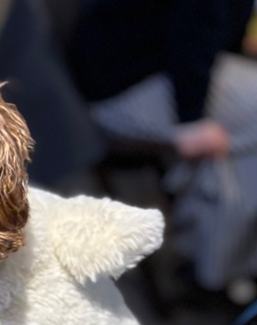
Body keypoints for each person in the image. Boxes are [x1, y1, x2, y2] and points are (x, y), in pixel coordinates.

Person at [68, 0, 257, 301]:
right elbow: (193, 27)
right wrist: (191, 120)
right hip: (126, 79)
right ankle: (213, 266)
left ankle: (214, 263)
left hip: (168, 59)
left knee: (239, 145)